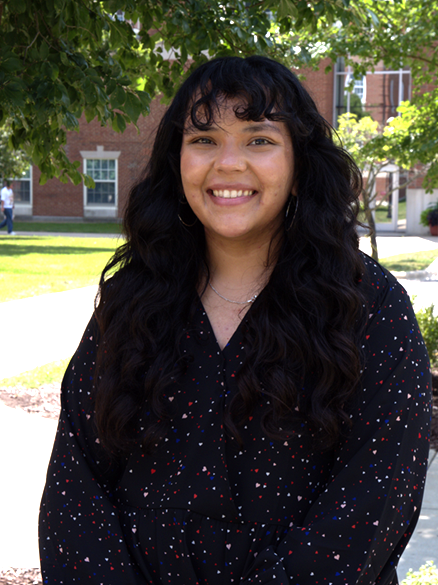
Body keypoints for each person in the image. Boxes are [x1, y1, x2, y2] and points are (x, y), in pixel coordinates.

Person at [39, 56, 432, 585]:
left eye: (259, 140)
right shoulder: (132, 302)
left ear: (298, 167)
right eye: (203, 139)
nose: (227, 163)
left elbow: (375, 499)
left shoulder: (369, 308)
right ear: (177, 161)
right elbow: (76, 485)